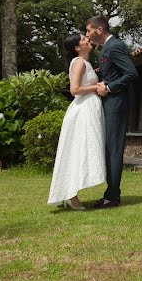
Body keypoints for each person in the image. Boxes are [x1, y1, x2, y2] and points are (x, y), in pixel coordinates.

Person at [46, 33, 106, 210]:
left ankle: (68, 193)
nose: (88, 40)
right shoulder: (79, 62)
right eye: (83, 39)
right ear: (77, 47)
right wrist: (97, 87)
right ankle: (71, 195)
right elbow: (75, 89)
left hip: (87, 109)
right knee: (78, 151)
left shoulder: (84, 63)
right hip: (83, 110)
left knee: (79, 151)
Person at [85, 15, 138, 208]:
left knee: (114, 151)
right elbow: (114, 73)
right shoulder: (106, 48)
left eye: (89, 30)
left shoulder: (115, 46)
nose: (87, 35)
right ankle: (111, 193)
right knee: (109, 150)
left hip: (117, 105)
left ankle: (112, 197)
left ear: (99, 29)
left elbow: (131, 73)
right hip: (110, 104)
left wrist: (108, 88)